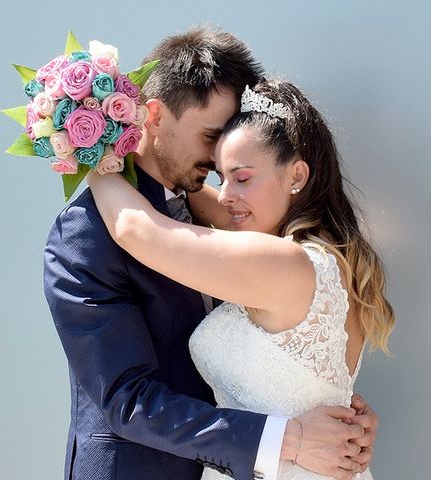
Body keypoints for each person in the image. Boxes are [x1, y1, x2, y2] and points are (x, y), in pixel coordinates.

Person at [44, 26, 379, 480]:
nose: (222, 183)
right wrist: (93, 147)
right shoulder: (84, 231)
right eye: (211, 137)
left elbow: (142, 229)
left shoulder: (248, 231)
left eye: (238, 168)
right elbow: (128, 400)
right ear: (154, 116)